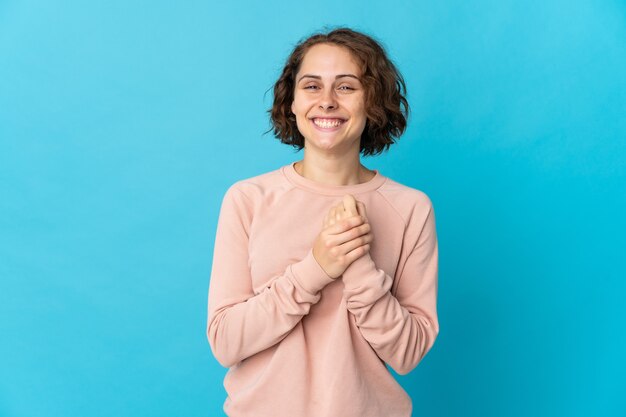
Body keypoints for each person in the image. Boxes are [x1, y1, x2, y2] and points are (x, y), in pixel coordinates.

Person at [207, 27, 439, 417]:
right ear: (293, 102)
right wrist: (316, 268)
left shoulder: (410, 208)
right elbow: (226, 342)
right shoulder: (247, 199)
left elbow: (408, 352)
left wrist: (358, 266)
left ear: (373, 101)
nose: (327, 102)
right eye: (312, 86)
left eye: (346, 87)